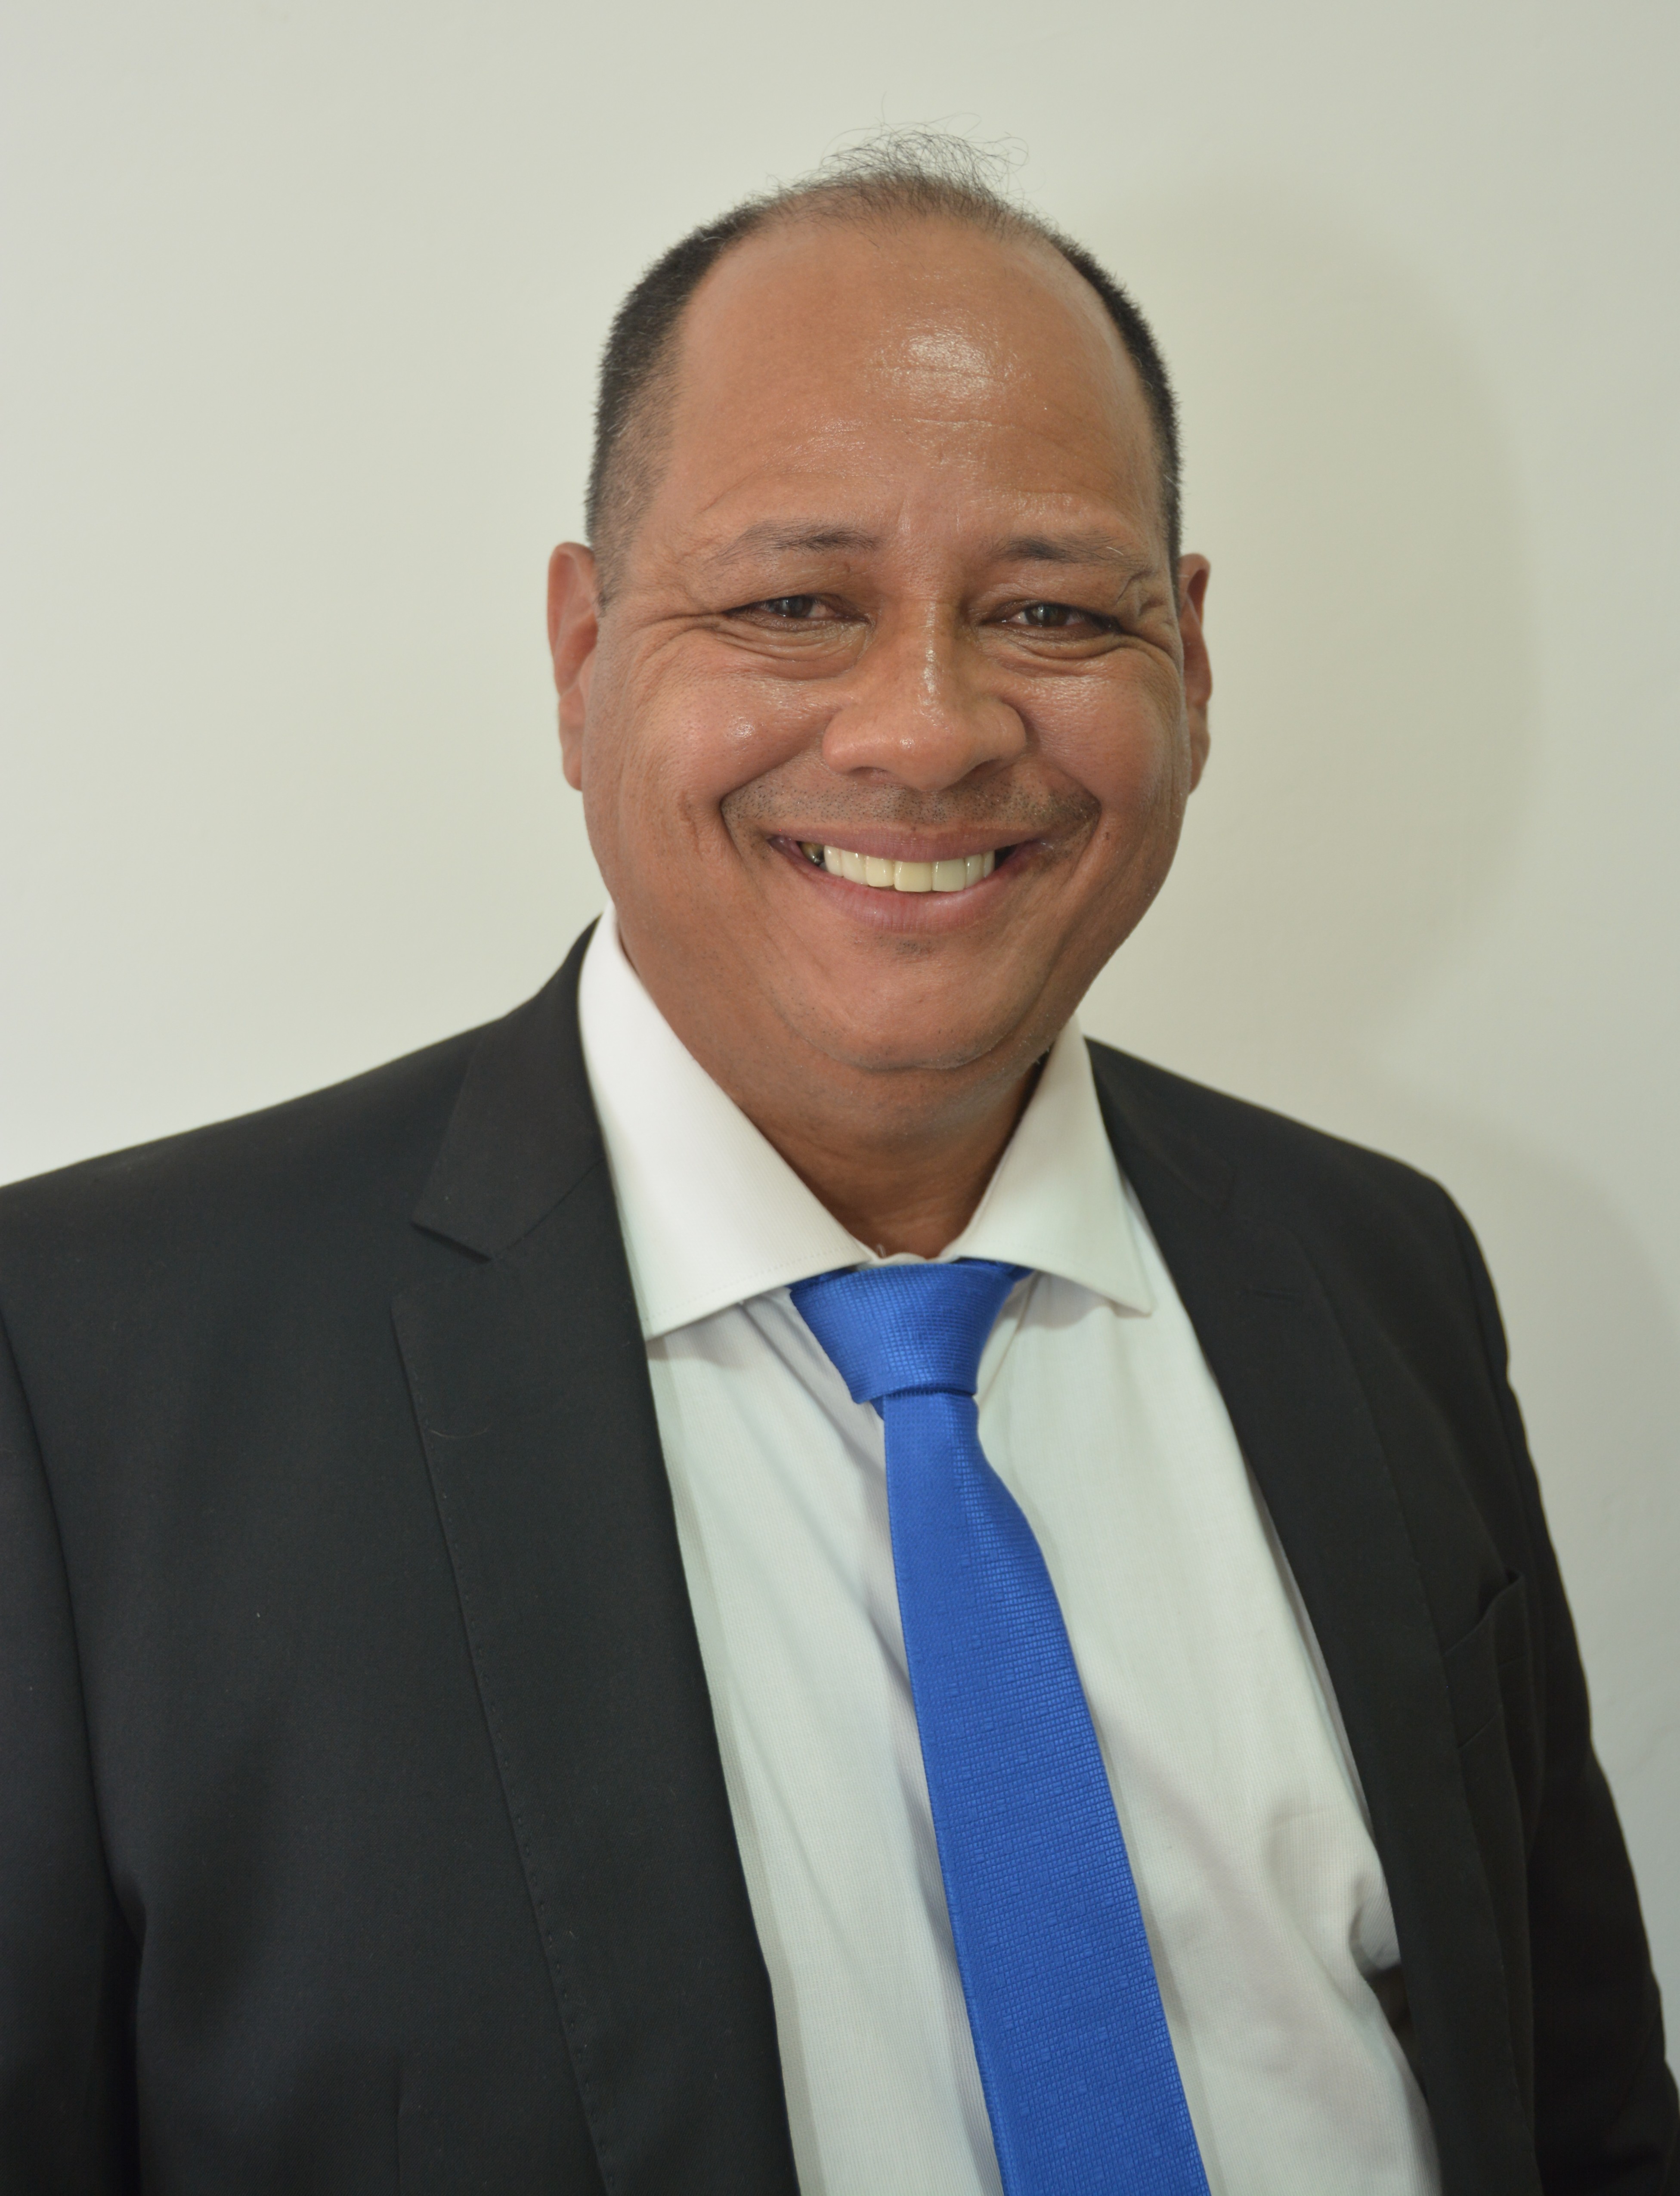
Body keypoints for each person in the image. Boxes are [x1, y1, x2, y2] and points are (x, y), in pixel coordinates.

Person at [0, 134, 1673, 2196]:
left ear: (1190, 661)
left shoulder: (1376, 1271)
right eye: (795, 604)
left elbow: (1585, 2112)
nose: (926, 729)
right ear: (582, 657)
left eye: (1049, 609)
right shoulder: (84, 1373)